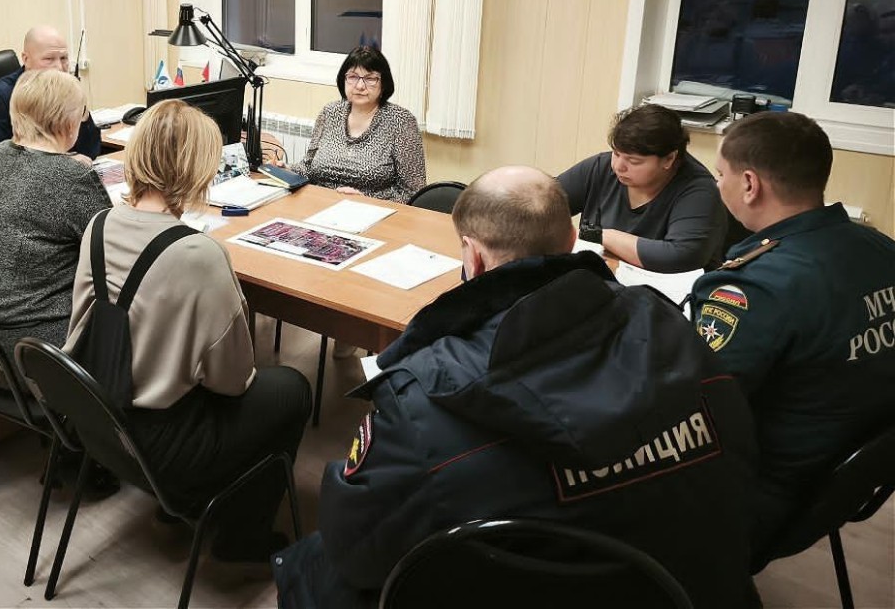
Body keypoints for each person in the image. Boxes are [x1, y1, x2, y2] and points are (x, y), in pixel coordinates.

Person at [274, 166, 759, 609]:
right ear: (573, 241)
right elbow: (739, 480)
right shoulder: (678, 337)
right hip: (675, 586)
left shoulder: (421, 401)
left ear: (474, 257)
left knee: (316, 570)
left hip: (500, 588)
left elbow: (355, 549)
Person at [66, 99, 312, 566]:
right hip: (164, 448)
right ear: (198, 168)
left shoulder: (98, 224)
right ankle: (241, 539)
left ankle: (174, 512)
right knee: (290, 389)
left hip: (99, 422)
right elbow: (234, 380)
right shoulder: (198, 254)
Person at [689, 111, 895, 569]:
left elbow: (695, 404)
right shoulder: (883, 250)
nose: (717, 185)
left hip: (765, 501)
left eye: (719, 175)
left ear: (749, 184)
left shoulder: (756, 287)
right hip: (842, 484)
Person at [0, 69, 111, 370]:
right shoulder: (72, 177)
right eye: (82, 114)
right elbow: (113, 249)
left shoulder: (0, 154)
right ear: (68, 122)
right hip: (35, 353)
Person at [557, 103, 727, 272]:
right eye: (616, 153)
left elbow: (681, 255)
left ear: (669, 159)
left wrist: (598, 235)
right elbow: (547, 202)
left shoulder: (699, 191)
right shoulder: (601, 167)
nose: (618, 167)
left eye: (634, 161)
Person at [0, 25, 100, 185]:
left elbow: (91, 151)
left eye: (64, 58)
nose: (59, 67)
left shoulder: (65, 91)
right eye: (49, 59)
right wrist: (63, 163)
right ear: (26, 59)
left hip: (54, 180)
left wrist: (79, 104)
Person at [291, 46, 425, 204]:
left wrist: (367, 201)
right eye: (353, 77)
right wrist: (284, 170)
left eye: (370, 79)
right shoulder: (330, 113)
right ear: (343, 80)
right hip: (320, 204)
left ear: (383, 84)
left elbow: (413, 192)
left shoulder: (401, 121)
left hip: (374, 212)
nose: (360, 86)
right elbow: (308, 167)